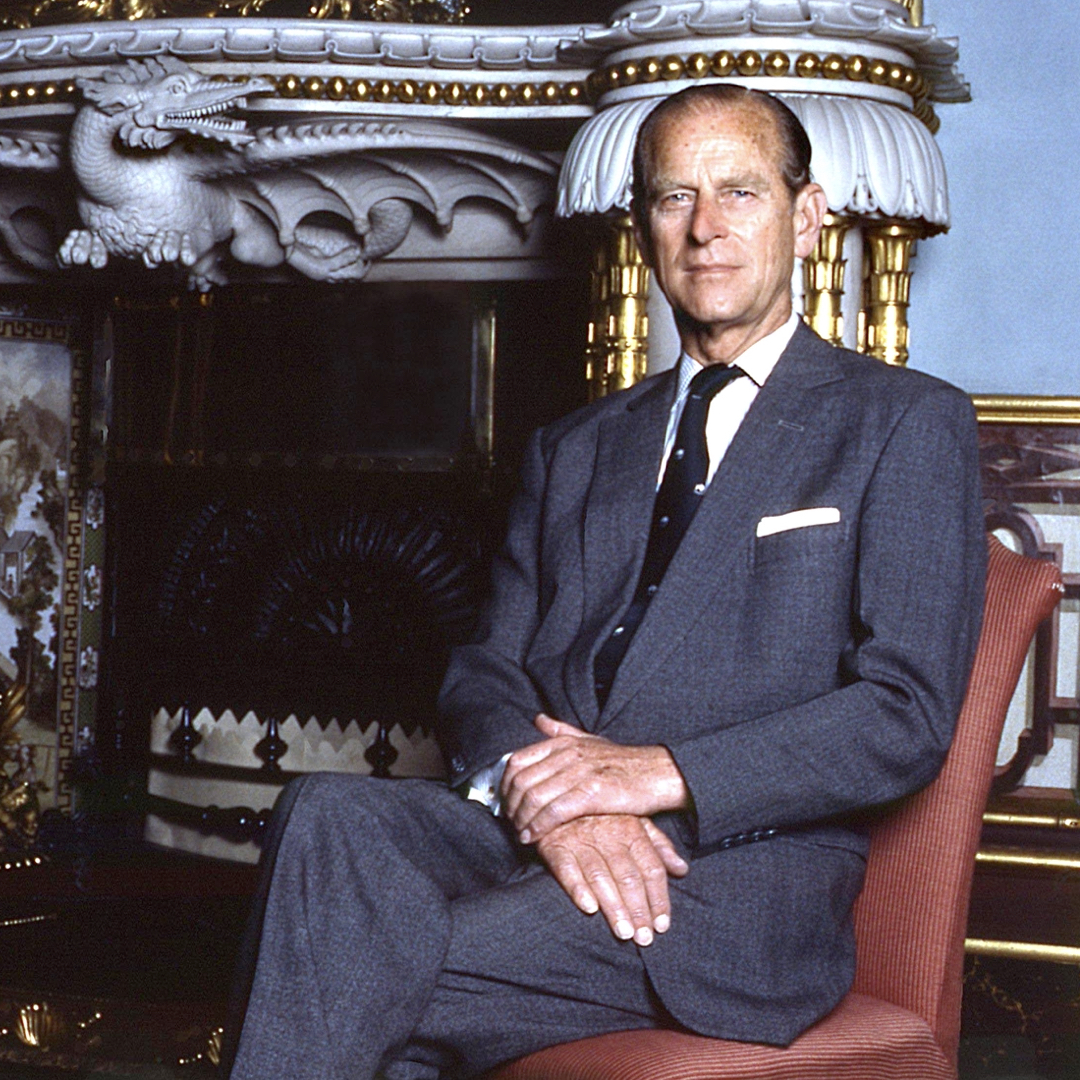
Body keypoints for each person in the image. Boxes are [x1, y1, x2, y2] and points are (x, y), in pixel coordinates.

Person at [224, 84, 985, 1080]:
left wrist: (651, 776)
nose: (706, 229)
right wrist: (559, 802)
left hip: (726, 885)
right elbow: (483, 675)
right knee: (326, 816)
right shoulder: (575, 448)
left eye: (740, 193)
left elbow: (904, 713)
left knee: (359, 958)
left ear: (807, 218)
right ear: (642, 228)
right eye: (674, 198)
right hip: (545, 831)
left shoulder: (901, 422)